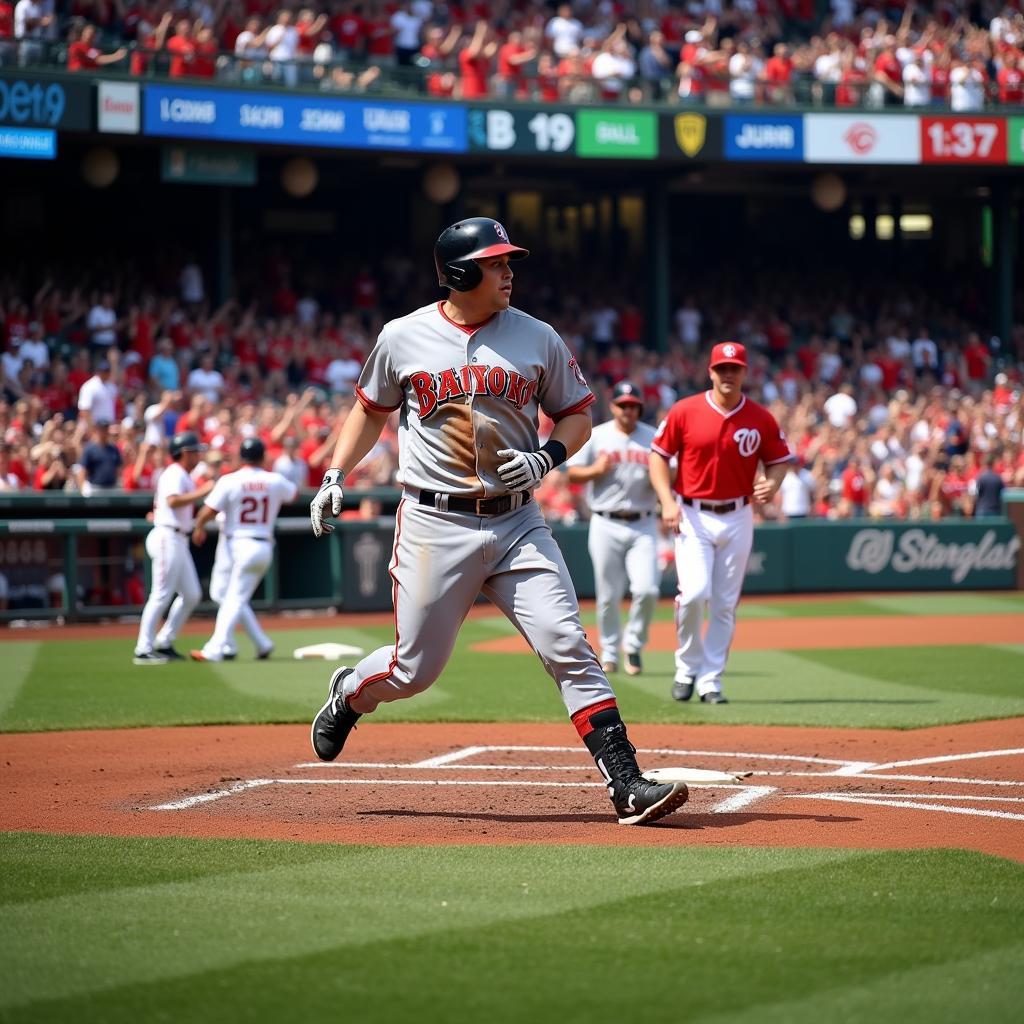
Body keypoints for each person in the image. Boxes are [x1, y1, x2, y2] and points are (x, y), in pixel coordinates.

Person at [307, 217, 688, 826]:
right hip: (435, 524)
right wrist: (334, 475)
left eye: (509, 261)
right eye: (496, 263)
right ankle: (351, 691)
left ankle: (627, 783)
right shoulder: (402, 337)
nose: (510, 271)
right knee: (411, 672)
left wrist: (546, 456)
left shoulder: (537, 336)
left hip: (518, 523)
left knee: (567, 643)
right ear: (460, 274)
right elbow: (368, 412)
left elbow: (577, 417)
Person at [649, 342, 791, 704]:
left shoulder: (760, 417)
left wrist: (772, 483)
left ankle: (711, 680)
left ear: (744, 372)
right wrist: (667, 501)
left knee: (725, 604)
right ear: (710, 372)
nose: (728, 374)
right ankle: (686, 669)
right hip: (692, 513)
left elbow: (780, 459)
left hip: (738, 514)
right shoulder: (685, 410)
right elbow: (658, 457)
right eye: (721, 368)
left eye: (735, 368)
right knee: (695, 594)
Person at [566, 381, 660, 678]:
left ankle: (633, 644)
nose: (627, 410)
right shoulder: (598, 435)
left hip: (643, 521)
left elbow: (670, 473)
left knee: (647, 589)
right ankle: (609, 652)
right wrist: (596, 471)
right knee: (608, 595)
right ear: (613, 406)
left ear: (640, 408)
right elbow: (574, 473)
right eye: (623, 404)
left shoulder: (653, 438)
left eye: (633, 405)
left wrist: (660, 477)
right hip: (605, 521)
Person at [189, 437, 297, 662]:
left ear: (241, 456)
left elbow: (208, 511)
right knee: (221, 593)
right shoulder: (274, 480)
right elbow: (294, 494)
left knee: (233, 598)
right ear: (263, 456)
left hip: (237, 542)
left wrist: (198, 527)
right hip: (256, 543)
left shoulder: (230, 480)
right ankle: (261, 642)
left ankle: (216, 649)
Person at [133, 431, 213, 665]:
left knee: (192, 594)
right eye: (195, 450)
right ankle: (143, 648)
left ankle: (164, 641)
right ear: (185, 453)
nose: (198, 454)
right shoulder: (174, 473)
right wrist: (203, 491)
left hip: (178, 536)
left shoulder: (183, 475)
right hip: (168, 536)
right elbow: (172, 501)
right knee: (160, 595)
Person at [968, 453, 1005, 517]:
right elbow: (1003, 494)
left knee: (981, 527)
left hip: (982, 510)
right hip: (995, 510)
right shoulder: (998, 478)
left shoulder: (980, 478)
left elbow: (974, 494)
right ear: (993, 464)